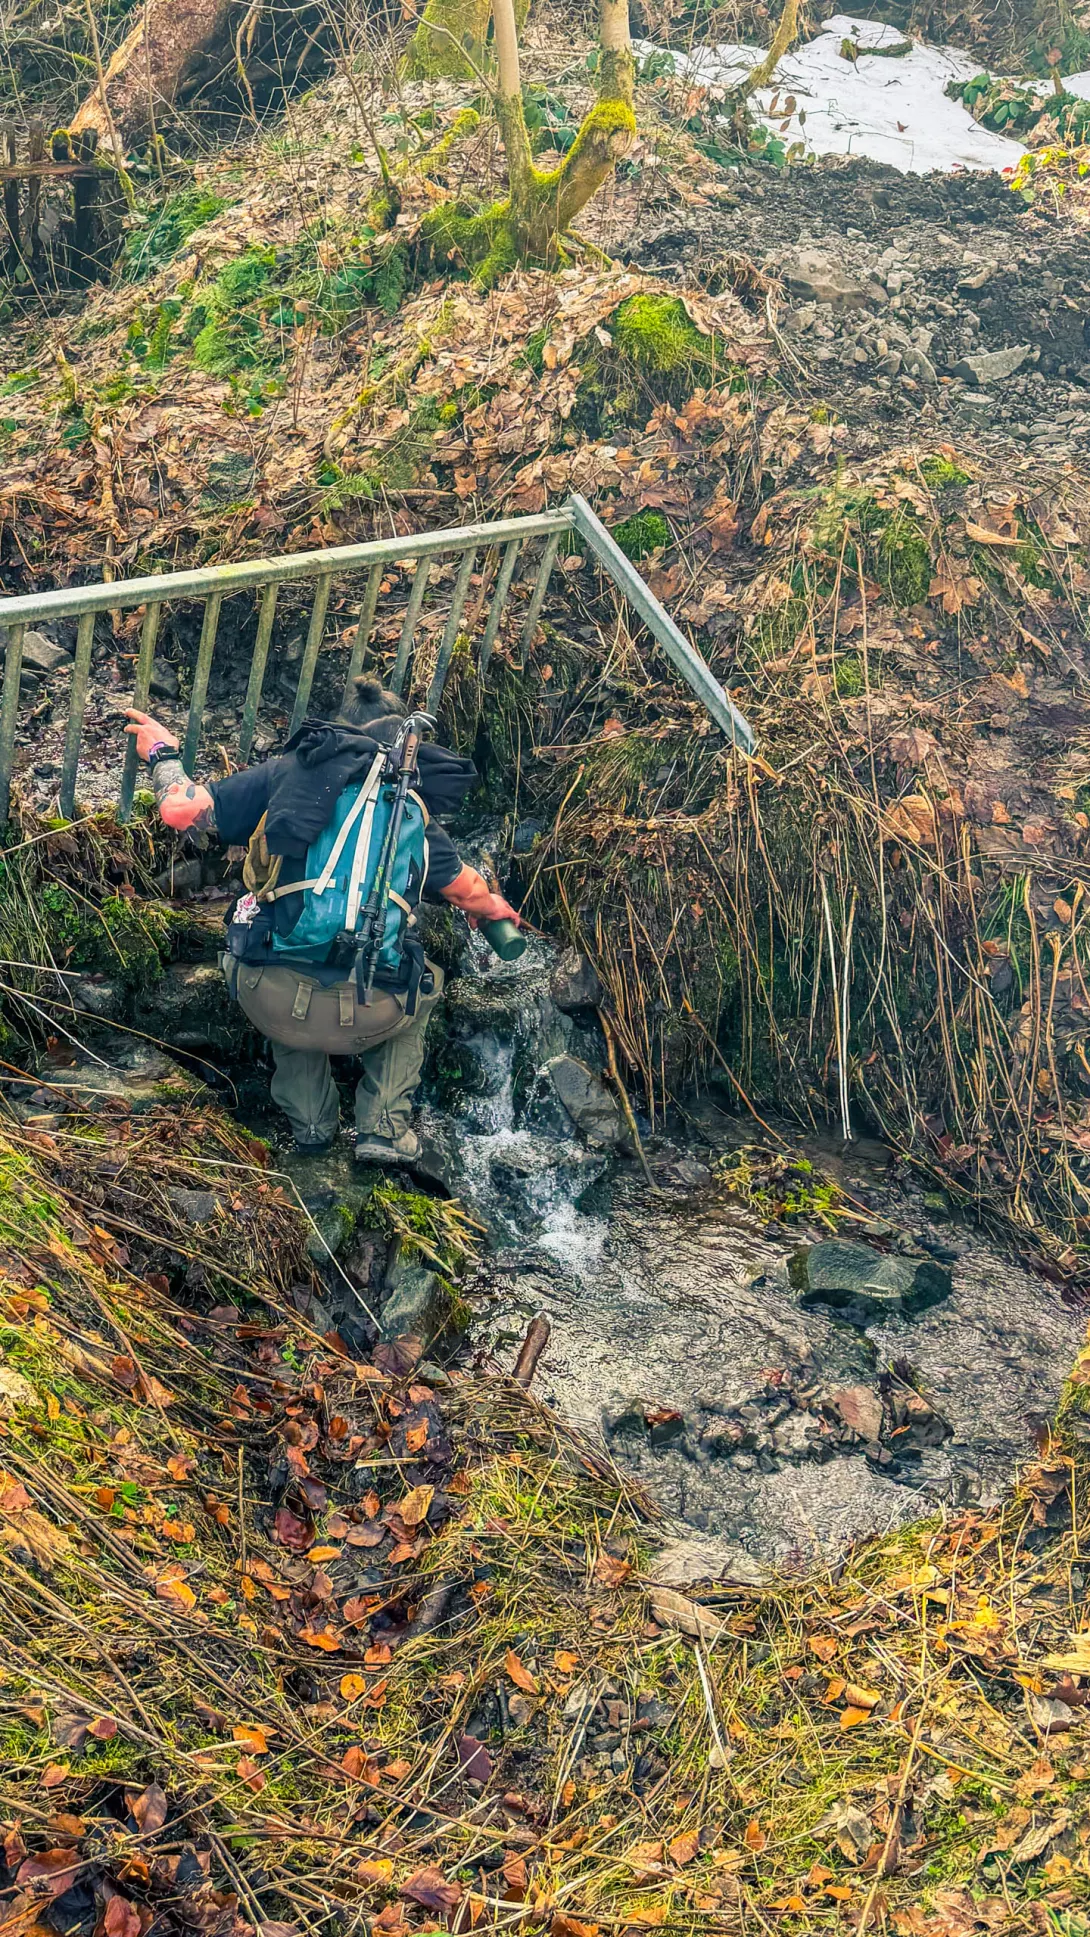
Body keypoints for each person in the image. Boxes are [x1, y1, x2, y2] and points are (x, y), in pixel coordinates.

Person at [124, 677, 521, 1163]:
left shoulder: (291, 773)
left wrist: (162, 753)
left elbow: (182, 811)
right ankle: (382, 1129)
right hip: (371, 1012)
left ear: (339, 728)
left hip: (276, 1005)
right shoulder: (406, 805)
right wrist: (492, 908)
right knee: (428, 982)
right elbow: (469, 892)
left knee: (272, 950)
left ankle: (311, 1126)